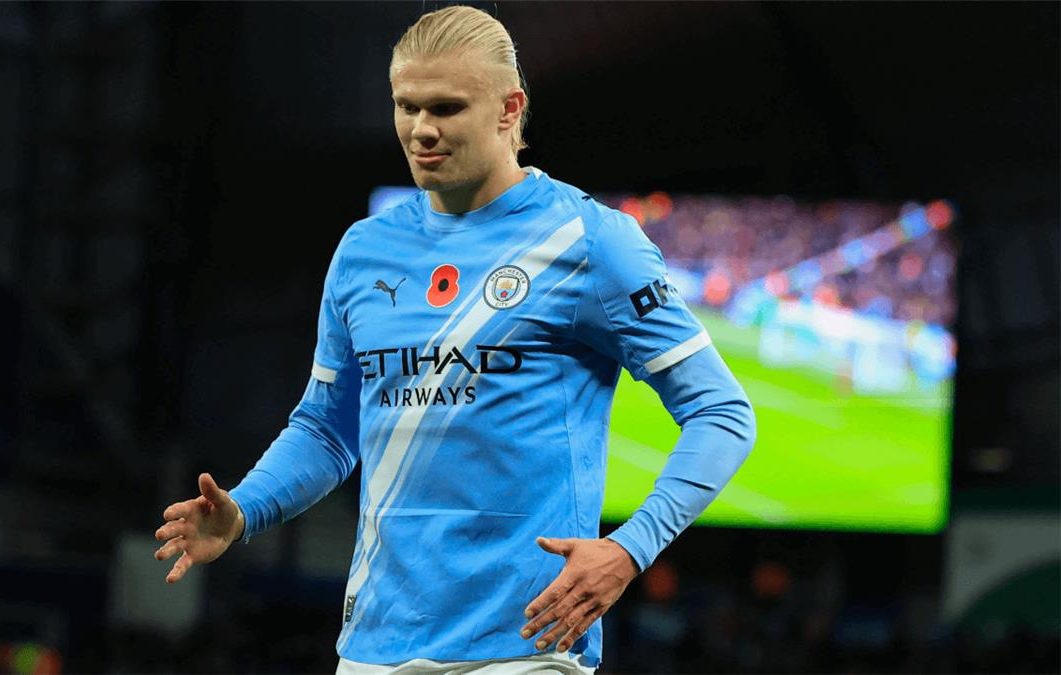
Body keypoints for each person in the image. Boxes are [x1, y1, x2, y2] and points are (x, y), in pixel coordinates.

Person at [154, 6, 756, 673]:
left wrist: (630, 548)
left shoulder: (590, 242)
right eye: (406, 106)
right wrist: (245, 510)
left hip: (525, 647)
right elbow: (327, 428)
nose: (421, 129)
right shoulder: (364, 250)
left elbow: (722, 412)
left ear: (509, 109)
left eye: (446, 108)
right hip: (374, 646)